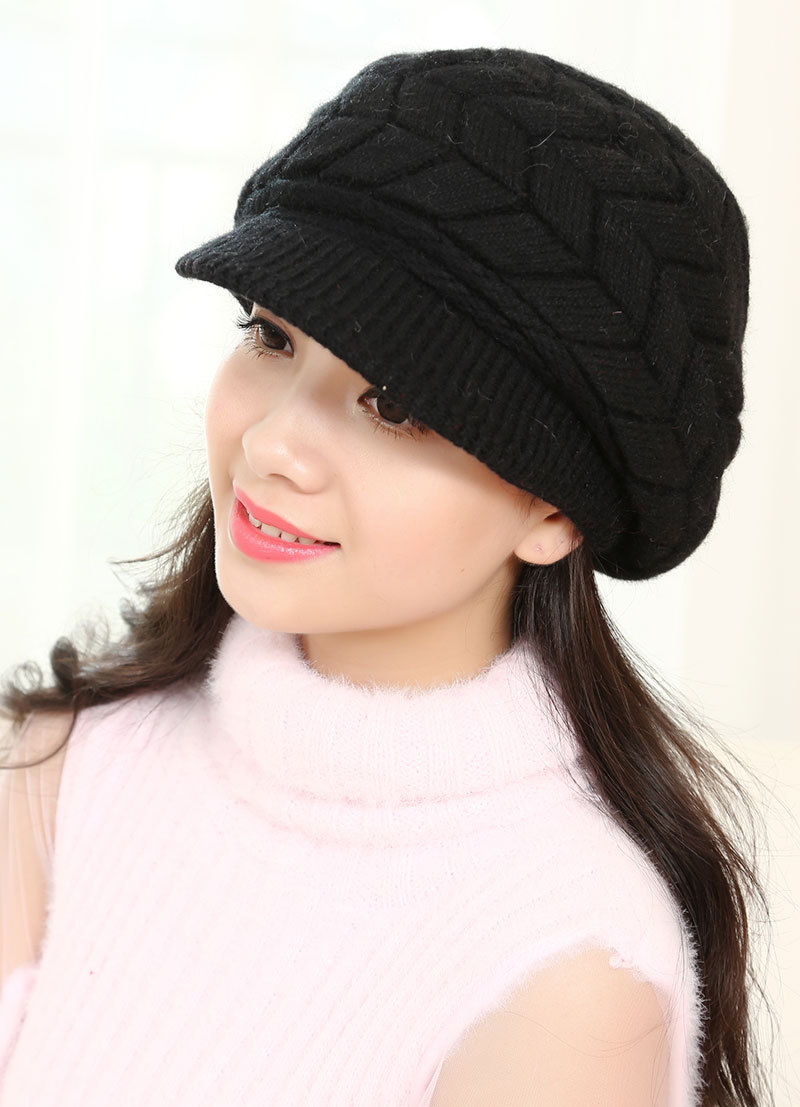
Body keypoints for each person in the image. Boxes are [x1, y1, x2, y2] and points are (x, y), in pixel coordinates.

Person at [0, 46, 773, 1107]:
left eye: (393, 405)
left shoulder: (567, 974)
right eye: (272, 336)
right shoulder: (62, 769)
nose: (273, 442)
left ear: (554, 511)